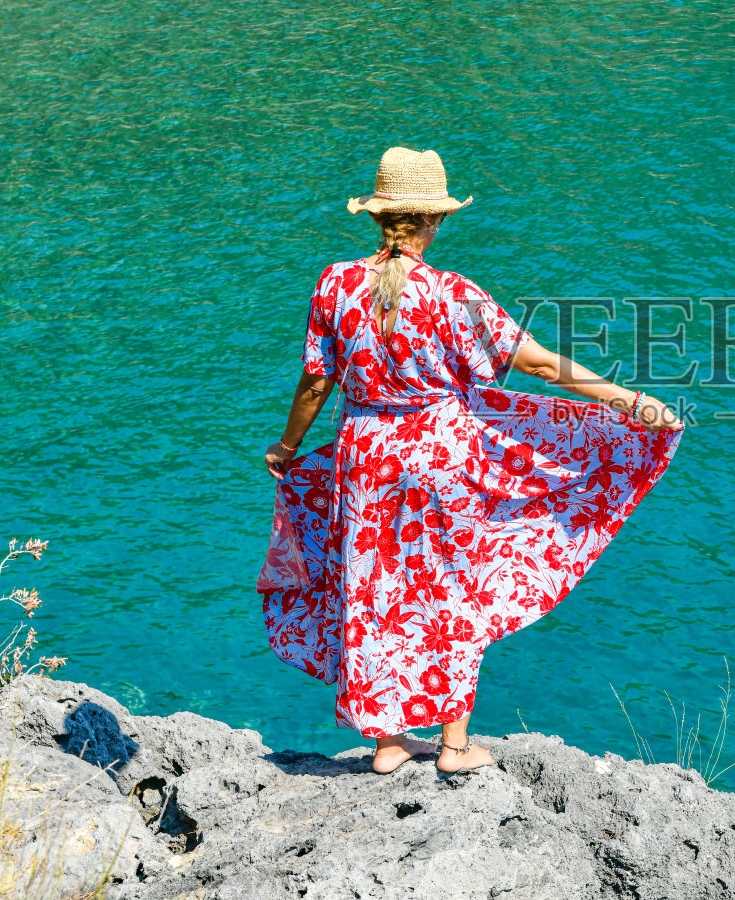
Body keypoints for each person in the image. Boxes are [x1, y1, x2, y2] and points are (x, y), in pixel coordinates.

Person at [259, 147, 683, 775]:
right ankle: (454, 746)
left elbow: (317, 382)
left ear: (380, 217)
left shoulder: (334, 282)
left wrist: (287, 446)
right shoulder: (453, 295)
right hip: (439, 455)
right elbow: (534, 362)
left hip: (366, 456)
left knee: (376, 585)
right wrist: (630, 400)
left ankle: (389, 742)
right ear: (433, 221)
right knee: (454, 585)